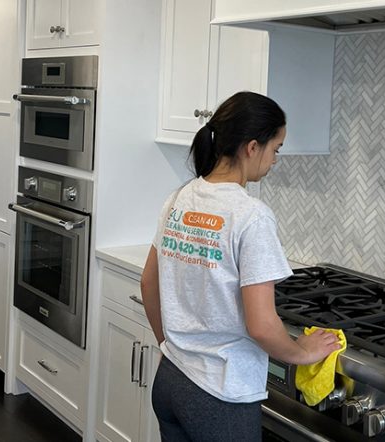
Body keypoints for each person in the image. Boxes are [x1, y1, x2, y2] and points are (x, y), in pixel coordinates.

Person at [140, 91, 340, 442]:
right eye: (275, 148)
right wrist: (301, 353)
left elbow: (148, 284)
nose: (275, 159)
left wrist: (172, 348)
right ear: (252, 147)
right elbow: (262, 326)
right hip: (219, 393)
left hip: (170, 381)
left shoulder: (179, 198)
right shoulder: (251, 216)